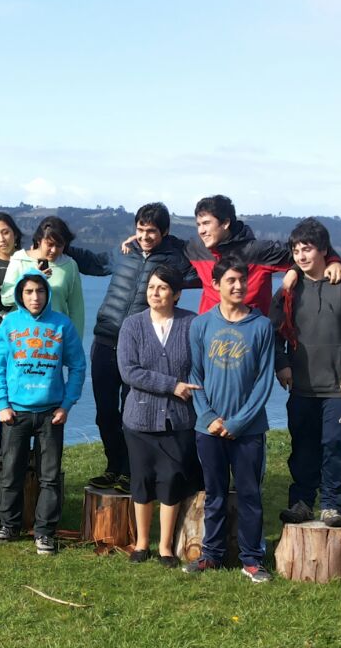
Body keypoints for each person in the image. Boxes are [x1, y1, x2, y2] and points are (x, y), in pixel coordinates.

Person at [270, 218, 341, 527]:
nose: (301, 256)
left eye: (308, 249)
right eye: (296, 250)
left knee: (335, 446)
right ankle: (302, 502)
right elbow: (274, 329)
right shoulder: (290, 289)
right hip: (302, 386)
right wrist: (281, 363)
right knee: (302, 449)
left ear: (323, 251)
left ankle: (333, 505)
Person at [89, 202, 198, 492]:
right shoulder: (124, 251)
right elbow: (93, 261)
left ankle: (129, 471)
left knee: (132, 411)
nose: (145, 236)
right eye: (140, 230)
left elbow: (203, 268)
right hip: (105, 338)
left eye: (152, 231)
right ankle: (114, 466)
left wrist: (173, 245)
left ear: (165, 232)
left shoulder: (175, 259)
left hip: (140, 342)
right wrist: (56, 249)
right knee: (105, 412)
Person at [185, 256, 276, 583]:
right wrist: (208, 417)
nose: (238, 286)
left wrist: (237, 423)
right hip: (207, 428)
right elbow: (194, 374)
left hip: (248, 430)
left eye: (242, 280)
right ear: (216, 285)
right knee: (215, 493)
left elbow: (264, 382)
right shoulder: (201, 325)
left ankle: (252, 559)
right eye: (230, 281)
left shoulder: (262, 326)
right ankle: (212, 554)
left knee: (250, 494)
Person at [0, 270, 86, 555]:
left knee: (50, 476)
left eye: (40, 291)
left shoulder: (61, 325)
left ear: (48, 294)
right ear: (20, 294)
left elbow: (78, 366)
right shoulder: (9, 324)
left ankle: (45, 532)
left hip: (50, 414)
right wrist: (2, 404)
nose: (35, 297)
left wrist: (66, 404)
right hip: (15, 414)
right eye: (29, 291)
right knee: (10, 472)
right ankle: (9, 525)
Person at [116, 265, 201, 567]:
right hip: (139, 418)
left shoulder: (192, 323)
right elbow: (129, 372)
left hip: (178, 418)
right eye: (151, 287)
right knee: (142, 480)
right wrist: (172, 385)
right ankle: (141, 543)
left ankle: (165, 546)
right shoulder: (132, 325)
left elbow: (198, 365)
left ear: (176, 294)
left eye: (162, 288)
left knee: (171, 479)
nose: (154, 292)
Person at [189, 194, 341, 315]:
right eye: (198, 225)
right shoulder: (197, 249)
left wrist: (332, 261)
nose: (201, 230)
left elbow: (309, 248)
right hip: (212, 340)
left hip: (253, 337)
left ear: (225, 223)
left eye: (206, 223)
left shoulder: (258, 251)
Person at [0, 215, 85, 336]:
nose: (54, 250)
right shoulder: (20, 260)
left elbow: (77, 311)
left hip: (55, 337)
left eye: (59, 245)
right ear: (39, 240)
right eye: (49, 244)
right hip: (22, 336)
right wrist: (33, 276)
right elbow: (6, 299)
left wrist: (75, 345)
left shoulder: (70, 265)